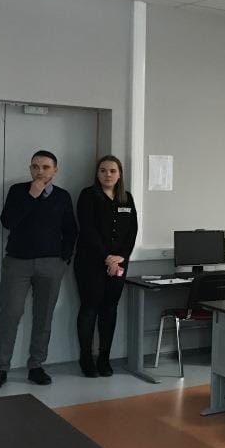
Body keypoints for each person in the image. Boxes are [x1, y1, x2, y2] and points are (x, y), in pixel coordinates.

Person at [0, 150, 78, 391]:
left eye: (45, 167)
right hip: (18, 263)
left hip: (51, 264)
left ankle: (36, 365)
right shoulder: (18, 191)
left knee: (44, 316)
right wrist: (31, 196)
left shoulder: (62, 196)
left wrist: (63, 260)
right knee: (10, 314)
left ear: (55, 170)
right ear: (30, 169)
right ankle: (1, 369)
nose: (40, 171)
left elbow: (70, 230)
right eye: (35, 167)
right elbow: (7, 222)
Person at [74, 155, 137, 378]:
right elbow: (87, 229)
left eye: (112, 171)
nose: (107, 175)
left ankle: (104, 357)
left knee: (110, 308)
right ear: (97, 173)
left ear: (119, 174)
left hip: (118, 264)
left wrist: (120, 257)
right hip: (90, 263)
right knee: (89, 307)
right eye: (103, 170)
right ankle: (86, 358)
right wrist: (107, 257)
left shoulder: (126, 198)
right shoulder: (88, 195)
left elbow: (132, 232)